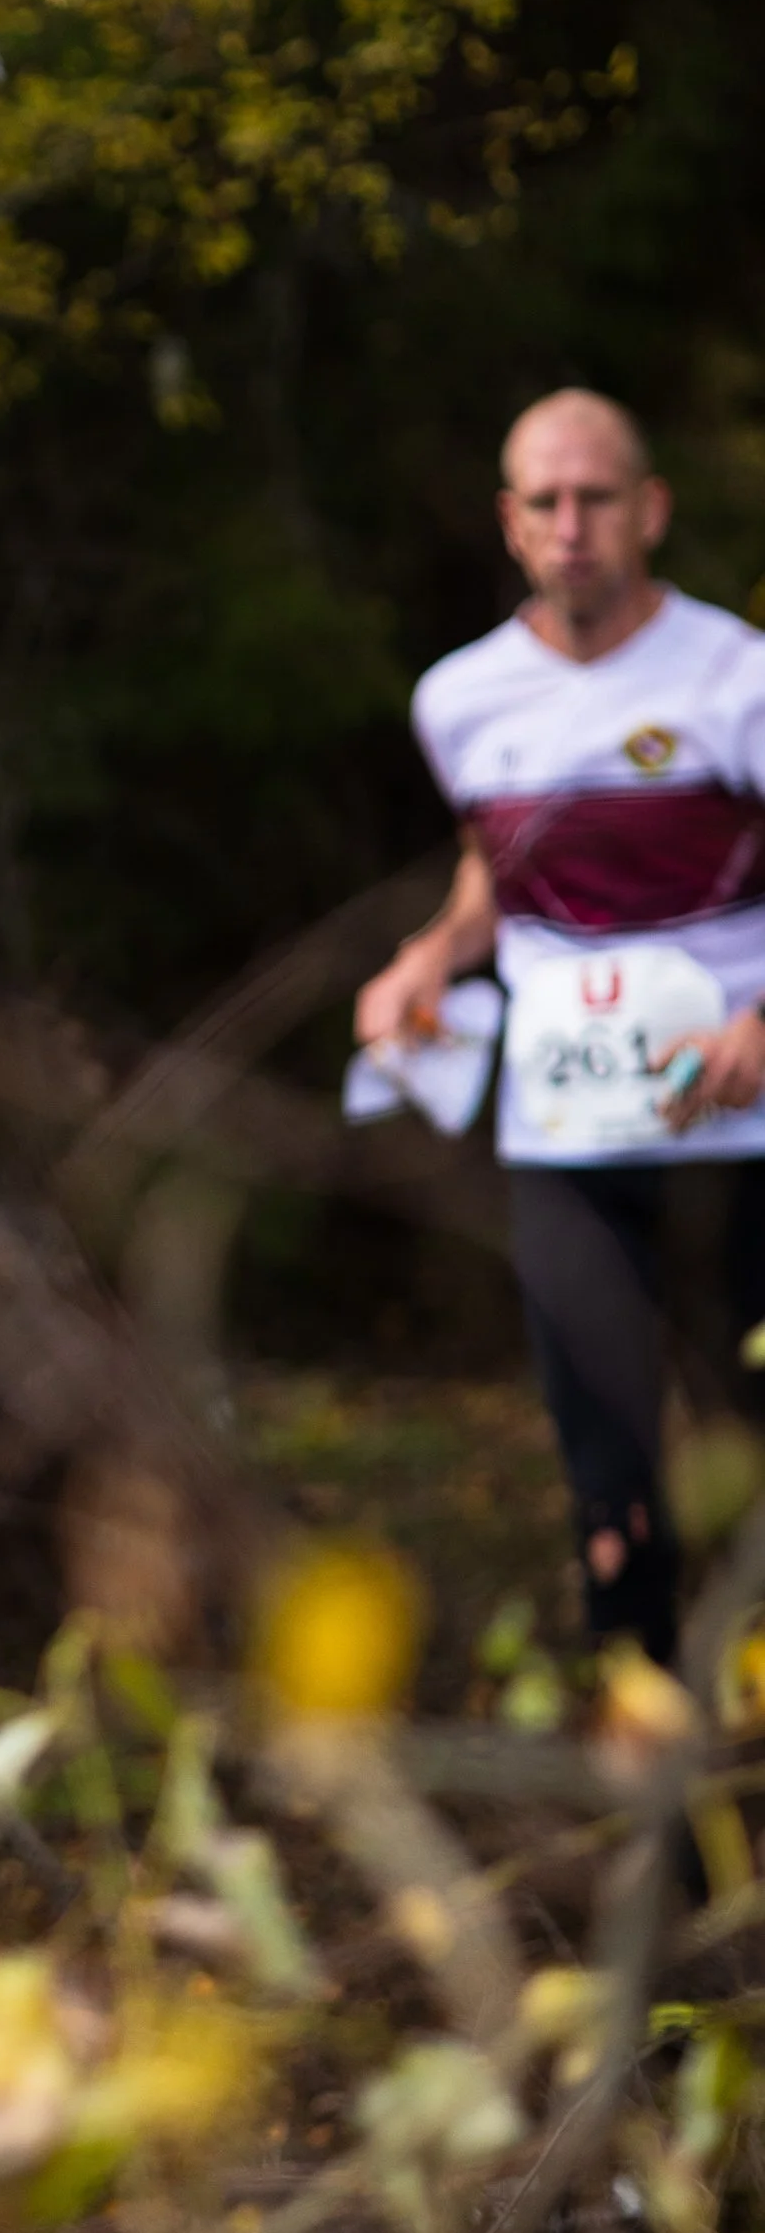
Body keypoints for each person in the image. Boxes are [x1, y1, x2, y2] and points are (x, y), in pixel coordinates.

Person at [356, 388, 765, 1662]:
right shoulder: (459, 698)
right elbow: (503, 866)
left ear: (649, 510)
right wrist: (425, 955)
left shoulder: (737, 675)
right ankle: (661, 1832)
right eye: (546, 501)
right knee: (610, 1482)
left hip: (740, 1135)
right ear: (511, 522)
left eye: (597, 497)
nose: (572, 524)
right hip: (568, 1141)